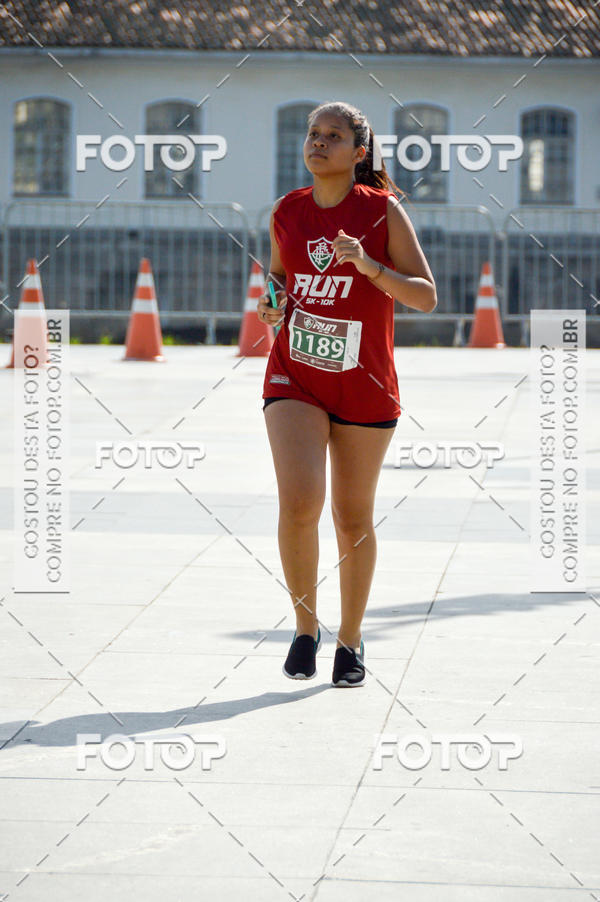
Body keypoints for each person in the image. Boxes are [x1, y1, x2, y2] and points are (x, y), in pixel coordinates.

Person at [257, 100, 437, 687]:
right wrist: (273, 304)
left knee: (351, 516)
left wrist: (368, 267)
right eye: (313, 133)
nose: (318, 142)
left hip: (365, 383)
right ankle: (305, 630)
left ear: (359, 154)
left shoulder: (382, 213)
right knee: (300, 503)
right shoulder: (287, 211)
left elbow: (425, 296)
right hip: (295, 374)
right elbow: (283, 281)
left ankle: (351, 639)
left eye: (333, 136)